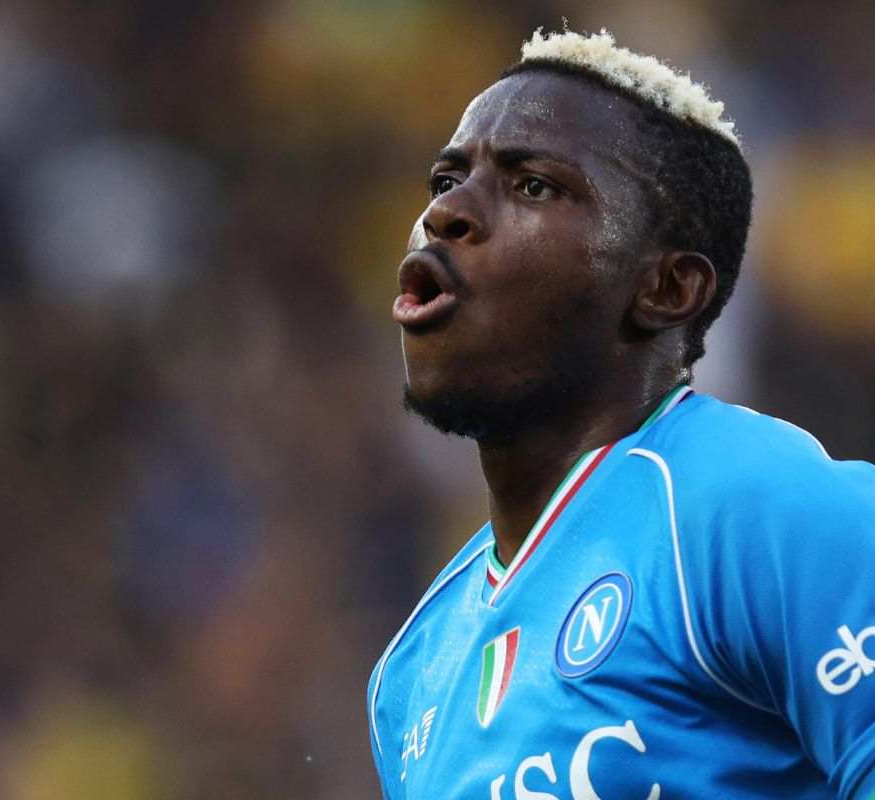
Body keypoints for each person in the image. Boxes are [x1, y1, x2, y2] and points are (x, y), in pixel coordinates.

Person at [367, 28, 875, 799]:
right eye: (446, 179)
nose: (447, 213)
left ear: (667, 289)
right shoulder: (410, 674)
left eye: (534, 185)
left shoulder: (756, 512)